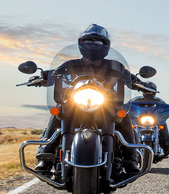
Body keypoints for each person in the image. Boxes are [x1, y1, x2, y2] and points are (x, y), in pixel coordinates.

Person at [34, 24, 142, 173]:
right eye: (89, 41)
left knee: (124, 118)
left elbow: (130, 78)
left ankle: (131, 160)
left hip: (106, 104)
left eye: (98, 42)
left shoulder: (115, 66)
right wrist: (41, 77)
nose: (93, 45)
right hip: (75, 102)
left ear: (106, 46)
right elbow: (55, 73)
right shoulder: (71, 65)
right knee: (58, 113)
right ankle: (45, 158)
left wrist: (140, 83)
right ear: (81, 44)